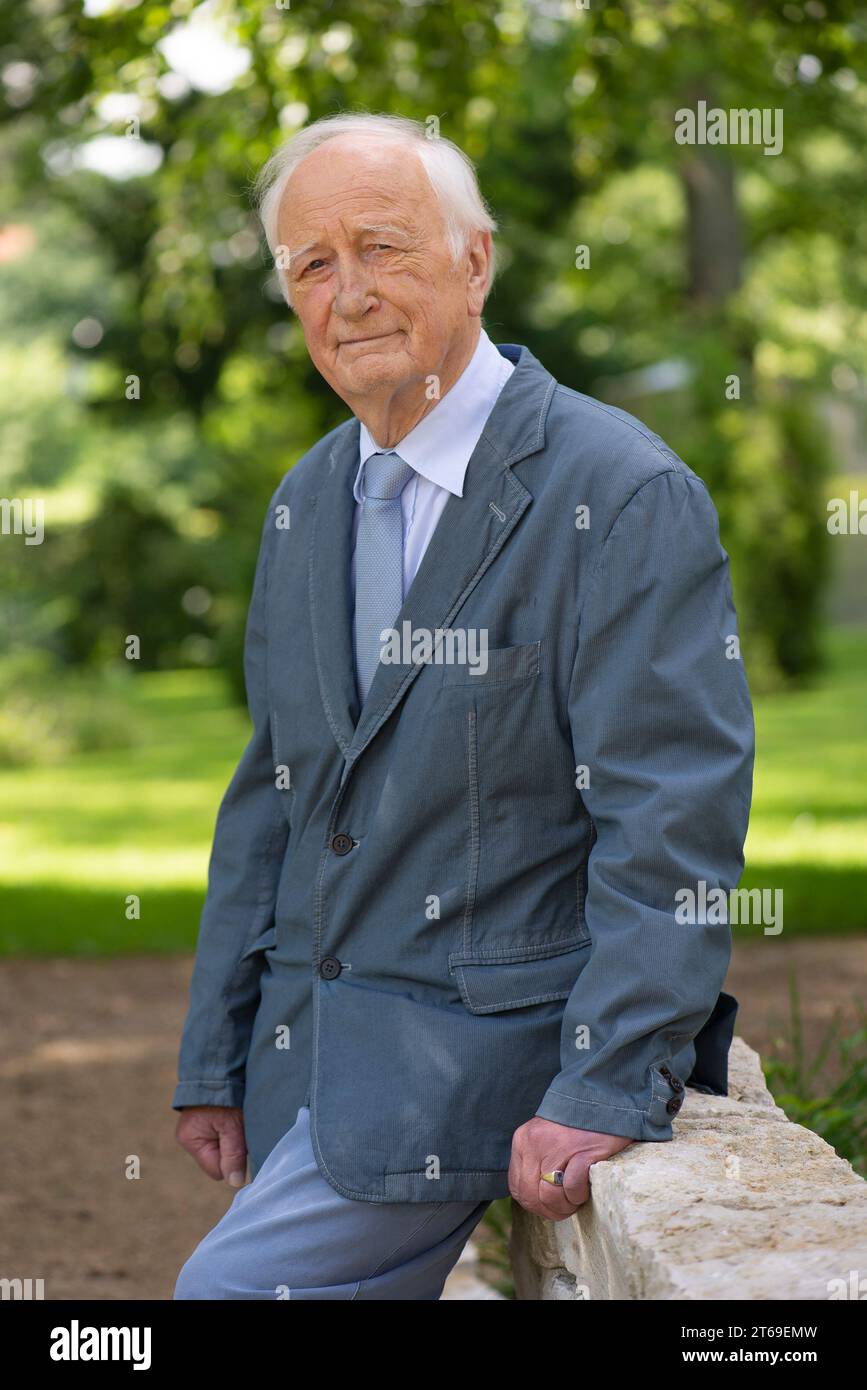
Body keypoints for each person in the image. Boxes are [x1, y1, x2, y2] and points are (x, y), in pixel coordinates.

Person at [172, 113, 754, 1301]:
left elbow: (671, 823)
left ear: (476, 260)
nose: (349, 294)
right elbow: (273, 798)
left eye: (382, 247)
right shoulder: (308, 496)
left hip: (485, 1063)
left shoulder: (620, 490)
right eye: (312, 265)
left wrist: (606, 1081)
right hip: (311, 1062)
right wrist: (217, 1051)